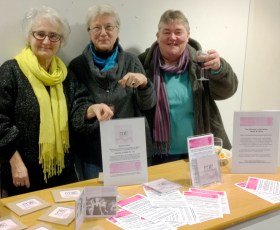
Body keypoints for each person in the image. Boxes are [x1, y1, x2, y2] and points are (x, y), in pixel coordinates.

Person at [0, 6, 112, 197]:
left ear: (61, 41)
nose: (46, 41)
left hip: (63, 175)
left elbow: (78, 108)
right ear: (29, 36)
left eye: (54, 36)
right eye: (40, 34)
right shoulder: (11, 71)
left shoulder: (65, 75)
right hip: (22, 175)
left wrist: (91, 110)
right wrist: (15, 161)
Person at [138, 10, 238, 165]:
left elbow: (227, 91)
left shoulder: (203, 62)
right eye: (166, 32)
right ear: (157, 36)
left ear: (187, 36)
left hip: (200, 151)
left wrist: (219, 69)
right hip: (158, 155)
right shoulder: (142, 65)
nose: (172, 37)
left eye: (178, 32)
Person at [68, 4, 156, 180]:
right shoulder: (77, 67)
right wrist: (91, 110)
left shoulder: (132, 61)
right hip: (94, 155)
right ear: (89, 31)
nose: (103, 33)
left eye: (109, 27)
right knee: (101, 206)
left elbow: (148, 105)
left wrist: (144, 84)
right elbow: (75, 115)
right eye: (96, 27)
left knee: (132, 201)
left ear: (117, 31)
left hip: (130, 151)